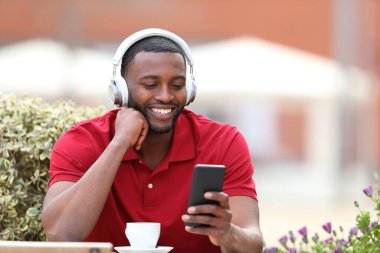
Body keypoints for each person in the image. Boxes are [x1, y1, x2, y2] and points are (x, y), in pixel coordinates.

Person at [41, 28, 263, 253]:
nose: (166, 96)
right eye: (150, 85)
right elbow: (61, 233)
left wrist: (227, 233)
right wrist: (119, 143)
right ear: (121, 91)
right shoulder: (83, 141)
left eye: (177, 85)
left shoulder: (224, 141)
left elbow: (253, 243)